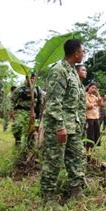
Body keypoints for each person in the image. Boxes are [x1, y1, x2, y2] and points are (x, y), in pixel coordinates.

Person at [40, 39, 87, 202]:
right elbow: (53, 102)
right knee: (53, 161)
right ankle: (48, 196)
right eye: (83, 51)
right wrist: (60, 127)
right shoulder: (59, 71)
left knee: (78, 156)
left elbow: (77, 101)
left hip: (73, 125)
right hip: (59, 126)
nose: (84, 54)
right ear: (76, 53)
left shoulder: (73, 71)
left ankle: (75, 191)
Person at [11, 73, 43, 147]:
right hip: (21, 111)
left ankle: (29, 146)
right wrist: (12, 111)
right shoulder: (20, 89)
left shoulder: (38, 89)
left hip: (32, 113)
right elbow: (12, 100)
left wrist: (39, 114)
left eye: (33, 78)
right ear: (26, 79)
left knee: (31, 130)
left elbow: (40, 102)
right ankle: (17, 141)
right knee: (17, 126)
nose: (31, 80)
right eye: (30, 78)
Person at [85, 82, 103, 150]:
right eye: (92, 87)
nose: (94, 89)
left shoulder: (94, 96)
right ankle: (89, 147)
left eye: (95, 88)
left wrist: (98, 93)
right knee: (90, 134)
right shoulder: (85, 95)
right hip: (89, 117)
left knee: (97, 133)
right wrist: (95, 104)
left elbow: (100, 103)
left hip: (96, 117)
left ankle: (95, 148)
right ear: (88, 88)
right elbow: (88, 106)